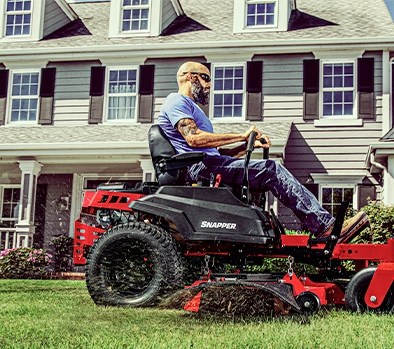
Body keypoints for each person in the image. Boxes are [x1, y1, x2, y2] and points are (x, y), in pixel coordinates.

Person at [157, 61, 369, 241]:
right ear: (190, 77)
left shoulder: (193, 109)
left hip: (208, 164)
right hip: (198, 169)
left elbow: (221, 155)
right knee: (271, 170)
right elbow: (193, 139)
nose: (210, 85)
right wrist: (241, 134)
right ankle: (324, 227)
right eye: (206, 78)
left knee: (265, 171)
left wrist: (246, 146)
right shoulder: (176, 101)